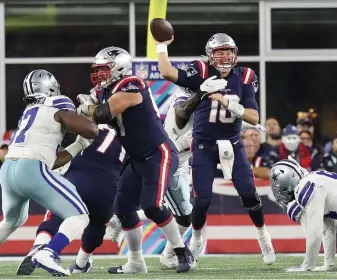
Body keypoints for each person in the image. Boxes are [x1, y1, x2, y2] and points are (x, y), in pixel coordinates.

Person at [154, 32, 275, 265]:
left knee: (249, 192)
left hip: (233, 142)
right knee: (202, 200)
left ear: (236, 54)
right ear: (210, 55)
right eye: (220, 52)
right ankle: (196, 241)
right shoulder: (200, 71)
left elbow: (253, 116)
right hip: (202, 143)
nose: (225, 56)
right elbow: (167, 72)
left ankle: (264, 237)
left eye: (229, 51)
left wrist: (225, 100)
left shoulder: (246, 76)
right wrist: (161, 46)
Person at [78, 47, 195, 274]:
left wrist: (86, 107)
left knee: (152, 205)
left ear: (118, 67)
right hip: (136, 157)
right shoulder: (106, 91)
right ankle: (135, 262)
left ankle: (182, 252)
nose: (100, 74)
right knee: (123, 209)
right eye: (98, 70)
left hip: (158, 153)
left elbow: (103, 114)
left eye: (104, 69)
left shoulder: (132, 83)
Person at [0, 69, 98, 276]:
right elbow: (91, 130)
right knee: (80, 216)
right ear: (51, 87)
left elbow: (52, 161)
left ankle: (43, 250)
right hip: (30, 168)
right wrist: (88, 114)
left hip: (8, 170)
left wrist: (79, 144)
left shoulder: (30, 113)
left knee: (11, 221)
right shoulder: (58, 102)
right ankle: (48, 252)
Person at [17, 100, 125, 275]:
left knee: (56, 215)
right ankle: (81, 263)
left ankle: (40, 246)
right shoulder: (128, 139)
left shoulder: (88, 126)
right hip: (107, 187)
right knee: (97, 225)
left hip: (77, 177)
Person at [270, 158, 337, 271]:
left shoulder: (305, 186)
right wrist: (328, 264)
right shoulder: (313, 178)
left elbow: (315, 233)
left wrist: (307, 266)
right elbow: (327, 229)